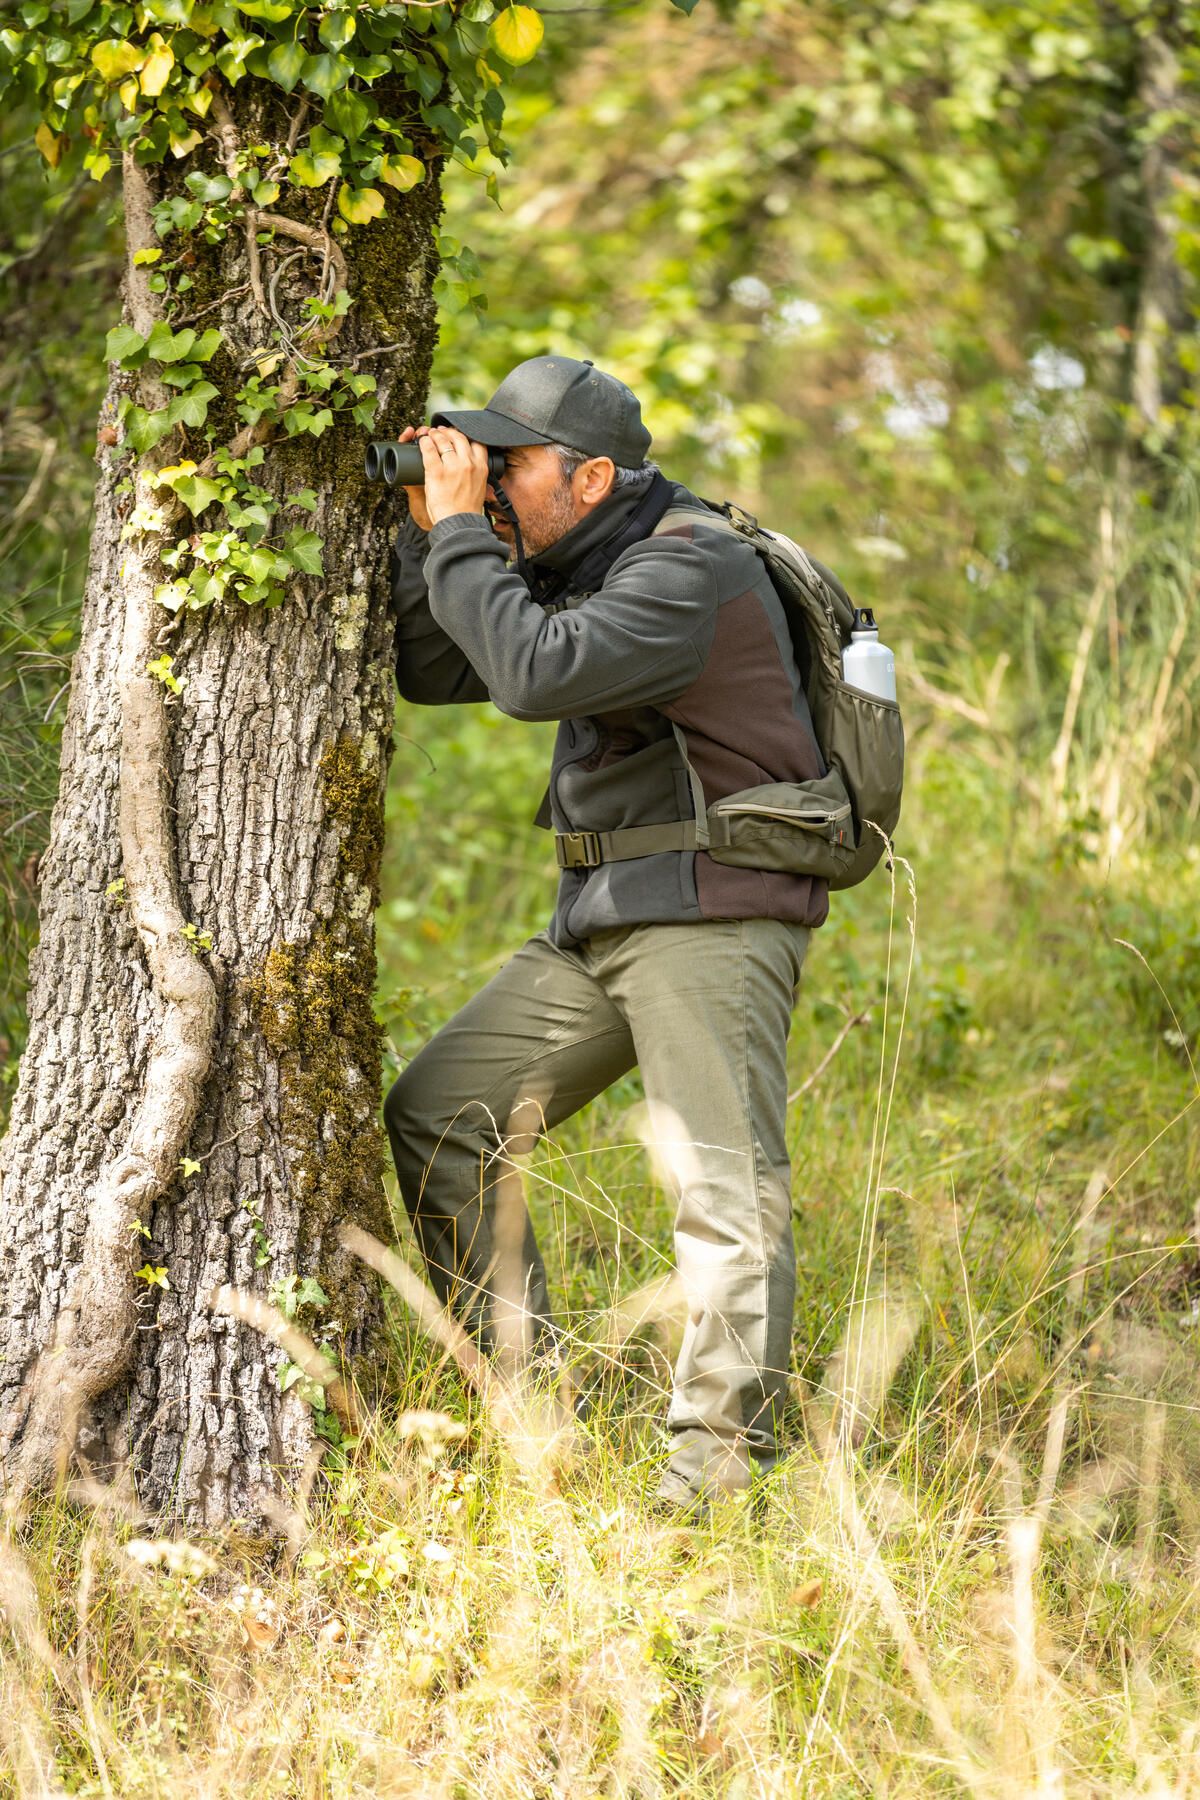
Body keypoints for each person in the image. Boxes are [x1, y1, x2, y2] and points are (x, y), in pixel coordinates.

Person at [384, 354, 828, 1512]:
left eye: (508, 464)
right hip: (609, 916)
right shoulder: (574, 555)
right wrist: (430, 525)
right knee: (444, 1117)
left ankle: (715, 1483)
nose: (490, 481)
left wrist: (462, 536)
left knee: (723, 1195)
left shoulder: (689, 566)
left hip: (711, 917)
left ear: (588, 477)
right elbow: (434, 657)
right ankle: (528, 1413)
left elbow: (531, 673)